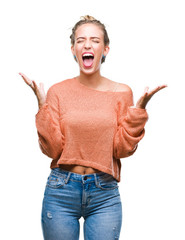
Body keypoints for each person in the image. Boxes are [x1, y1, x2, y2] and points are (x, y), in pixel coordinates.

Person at [20, 15, 166, 240]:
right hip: (61, 190)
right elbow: (53, 151)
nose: (87, 44)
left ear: (105, 49)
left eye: (95, 40)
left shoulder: (121, 92)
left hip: (104, 193)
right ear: (73, 50)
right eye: (81, 40)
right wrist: (42, 108)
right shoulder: (57, 91)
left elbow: (121, 150)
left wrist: (139, 112)